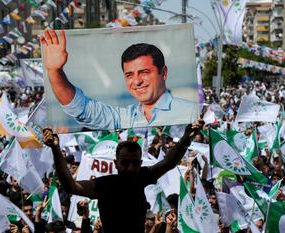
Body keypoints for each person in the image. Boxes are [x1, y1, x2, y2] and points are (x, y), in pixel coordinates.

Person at [42, 123, 201, 233]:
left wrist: (186, 138)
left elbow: (169, 162)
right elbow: (71, 186)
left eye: (135, 163)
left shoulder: (141, 177)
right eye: (125, 163)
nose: (131, 168)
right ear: (116, 163)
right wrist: (55, 148)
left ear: (140, 163)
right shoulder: (105, 185)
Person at [40, 29, 199, 130]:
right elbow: (81, 109)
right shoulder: (123, 119)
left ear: (163, 73)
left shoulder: (192, 112)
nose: (137, 81)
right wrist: (55, 71)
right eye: (129, 75)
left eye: (144, 72)